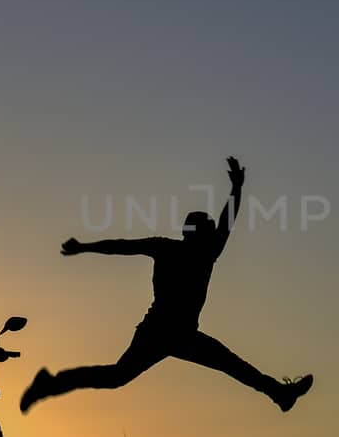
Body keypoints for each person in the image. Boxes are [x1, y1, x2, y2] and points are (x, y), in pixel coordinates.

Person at [20, 156, 313, 414]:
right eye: (207, 227)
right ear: (196, 232)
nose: (213, 230)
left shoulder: (195, 251)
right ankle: (280, 394)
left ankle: (280, 394)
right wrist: (85, 246)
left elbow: (224, 222)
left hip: (176, 333)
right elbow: (122, 246)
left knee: (122, 376)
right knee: (119, 377)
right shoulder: (186, 251)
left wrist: (237, 189)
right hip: (162, 332)